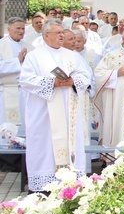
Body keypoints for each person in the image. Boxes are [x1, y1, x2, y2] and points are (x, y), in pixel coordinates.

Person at [19, 19, 91, 192]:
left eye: (62, 32)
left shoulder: (71, 55)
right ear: (46, 35)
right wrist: (53, 83)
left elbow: (85, 74)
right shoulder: (34, 56)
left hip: (69, 114)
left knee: (70, 145)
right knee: (45, 147)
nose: (61, 35)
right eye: (57, 33)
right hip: (44, 114)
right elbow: (26, 80)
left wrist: (73, 80)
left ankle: (70, 184)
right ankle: (43, 188)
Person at [0, 17, 32, 133]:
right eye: (18, 28)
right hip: (6, 92)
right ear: (9, 29)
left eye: (23, 28)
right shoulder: (1, 45)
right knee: (7, 125)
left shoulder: (30, 47)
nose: (21, 31)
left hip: (25, 92)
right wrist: (17, 61)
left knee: (24, 124)